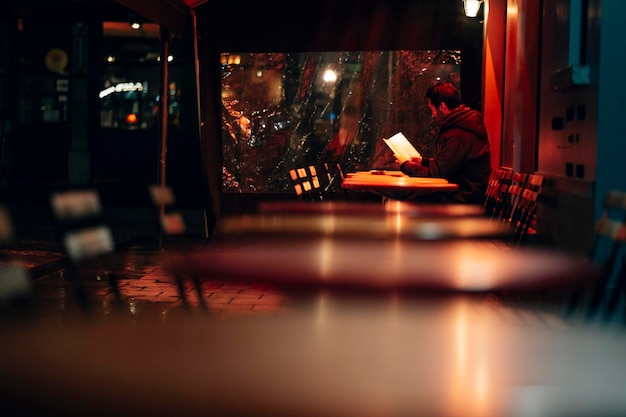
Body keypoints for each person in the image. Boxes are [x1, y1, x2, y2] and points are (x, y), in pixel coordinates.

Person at [395, 81, 491, 204]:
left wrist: (405, 165)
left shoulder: (458, 134)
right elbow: (448, 164)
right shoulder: (463, 126)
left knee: (407, 201)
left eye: (432, 109)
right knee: (410, 198)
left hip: (461, 198)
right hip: (464, 194)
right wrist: (422, 161)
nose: (433, 115)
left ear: (442, 106)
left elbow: (436, 175)